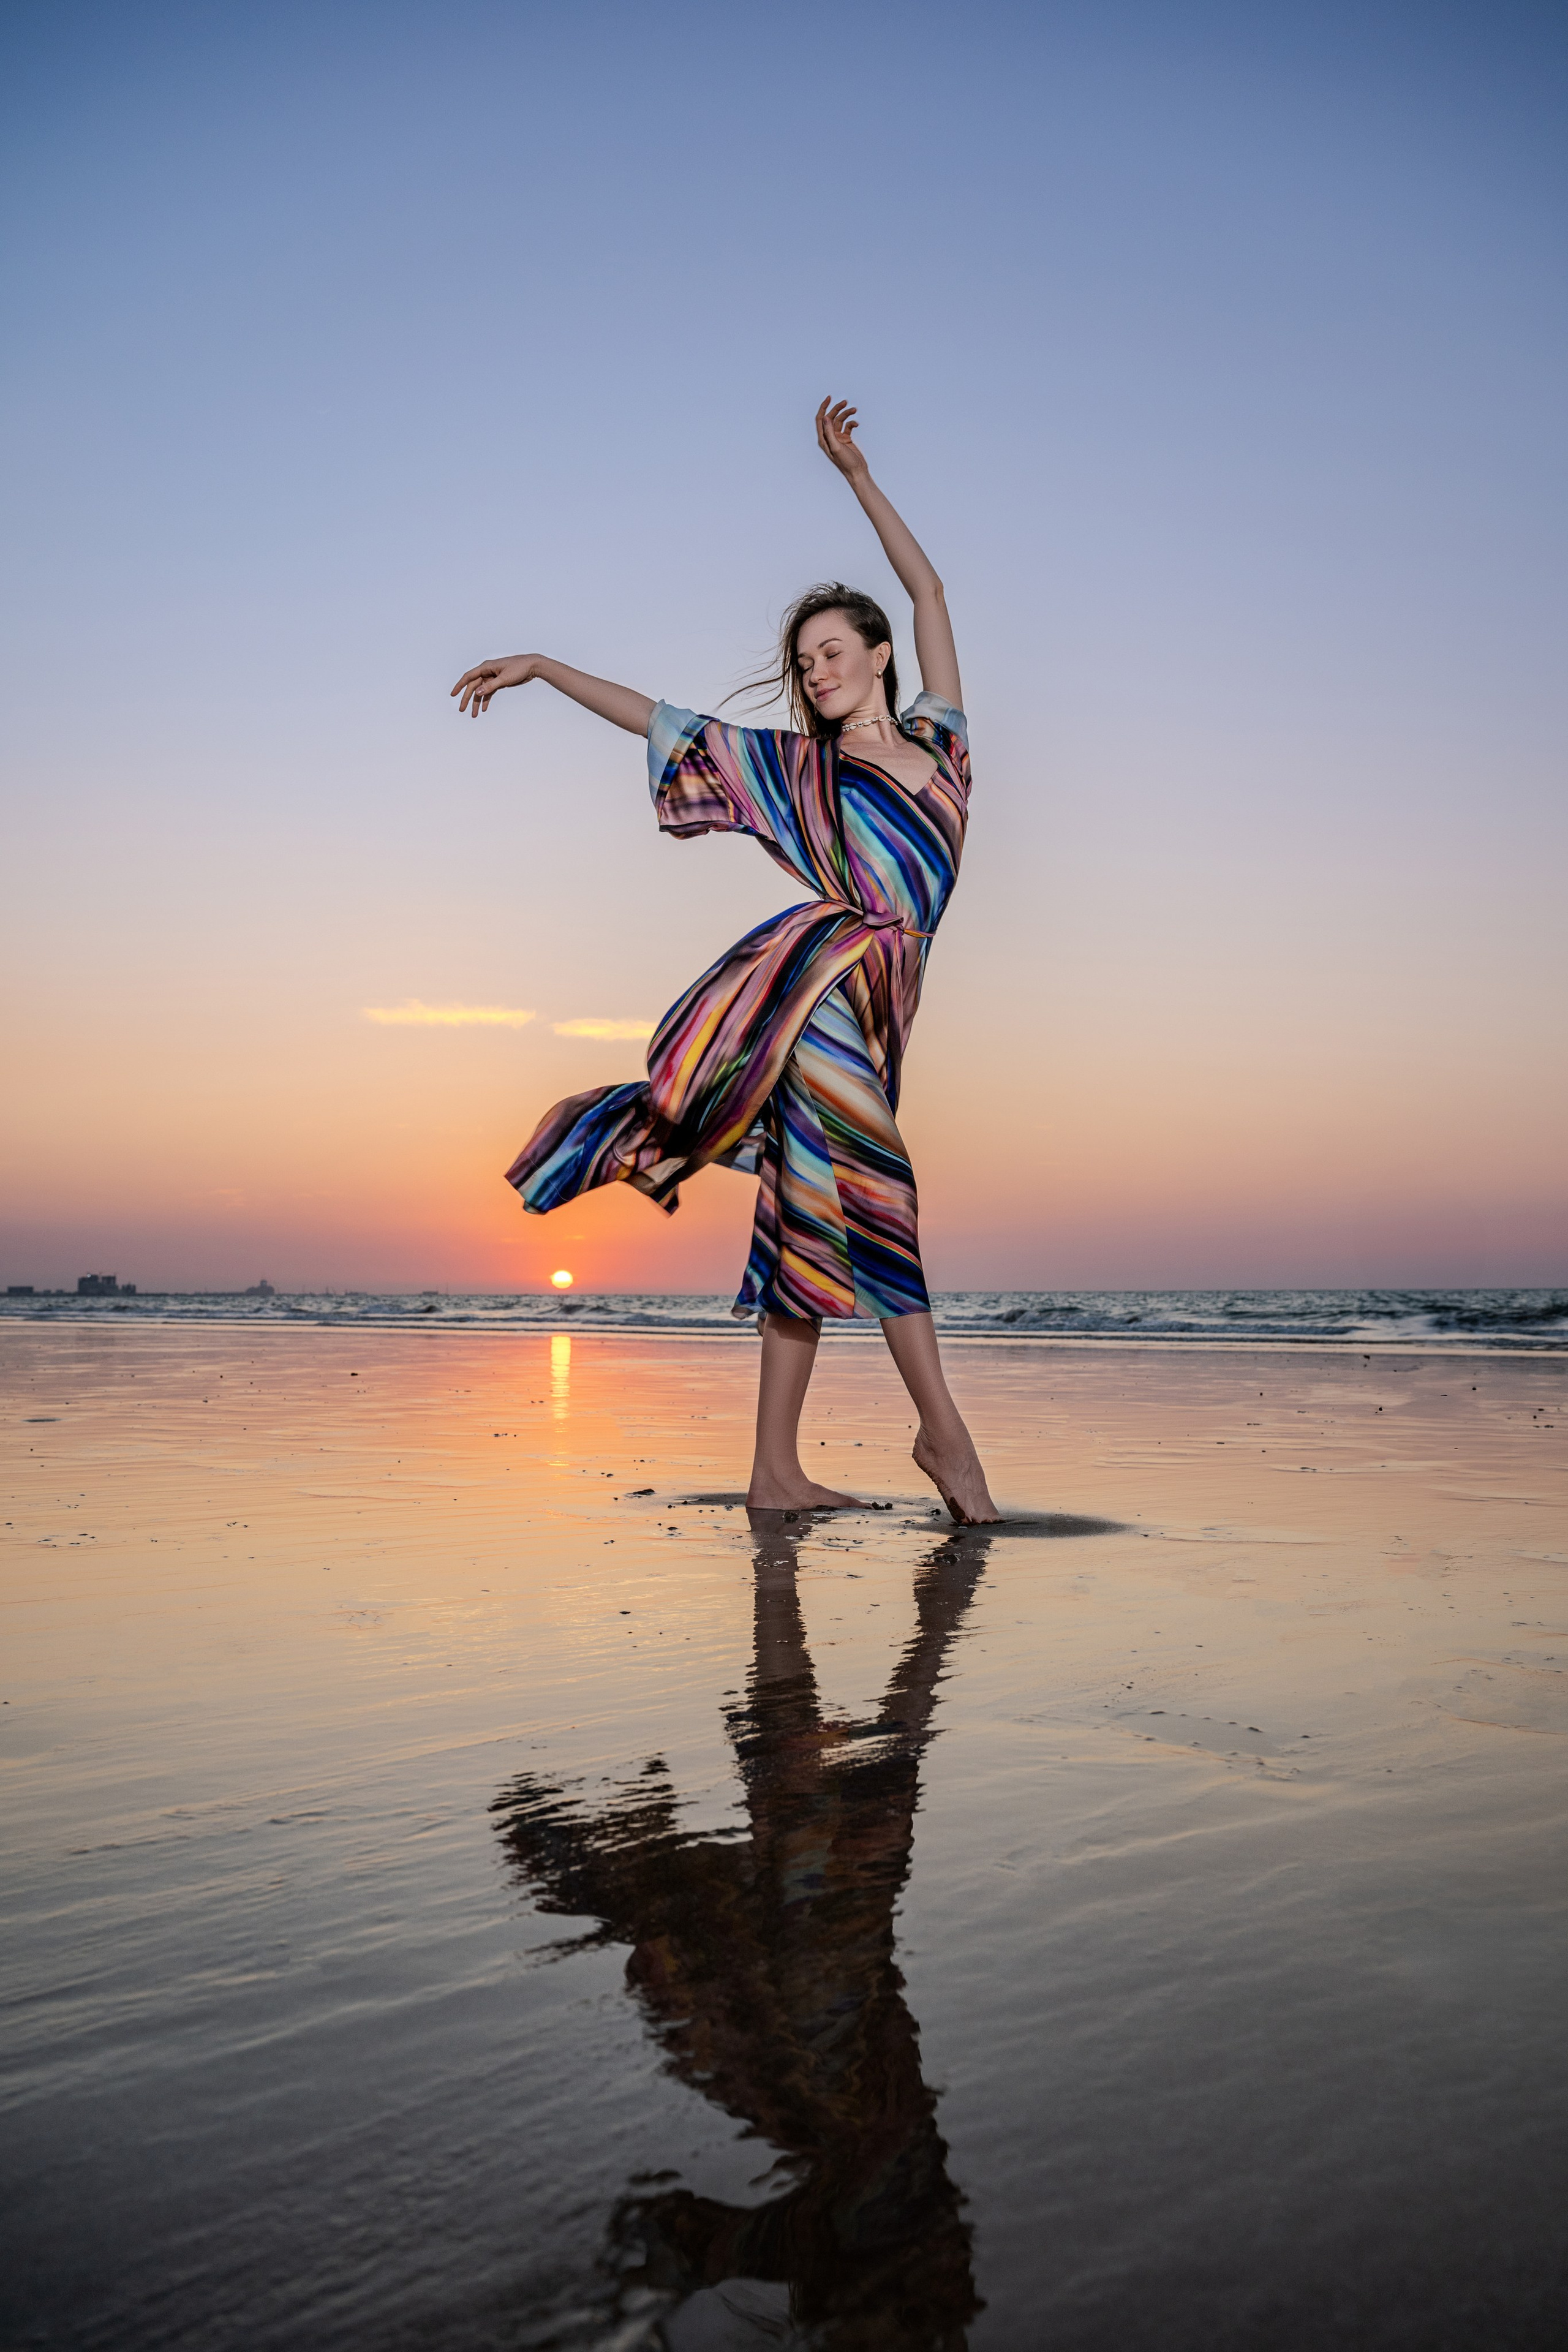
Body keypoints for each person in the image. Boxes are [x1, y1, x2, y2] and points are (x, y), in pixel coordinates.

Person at [452, 400, 999, 1525]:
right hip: (817, 996)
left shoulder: (942, 742)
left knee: (809, 1218)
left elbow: (933, 591)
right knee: (884, 1191)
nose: (819, 670)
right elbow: (662, 720)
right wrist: (550, 667)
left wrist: (855, 475)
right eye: (805, 661)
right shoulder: (797, 770)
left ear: (880, 655)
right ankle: (947, 1439)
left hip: (888, 1004)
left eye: (836, 650)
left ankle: (774, 1472)